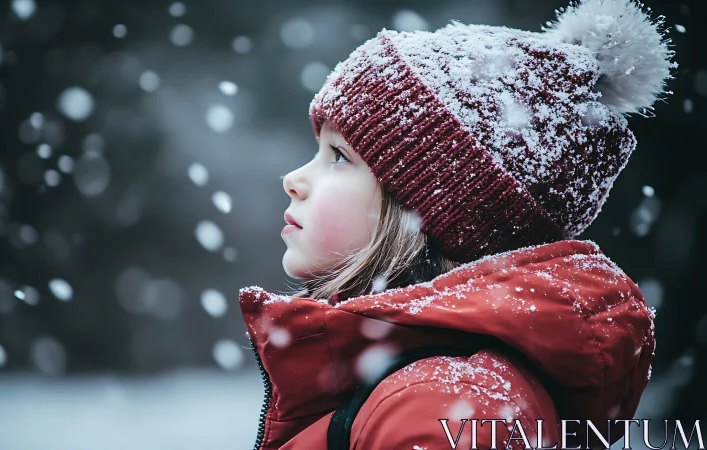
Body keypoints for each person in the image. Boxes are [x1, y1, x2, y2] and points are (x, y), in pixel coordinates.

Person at [239, 0, 674, 448]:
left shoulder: (442, 404)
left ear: (434, 211)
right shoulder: (427, 385)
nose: (294, 180)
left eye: (339, 157)